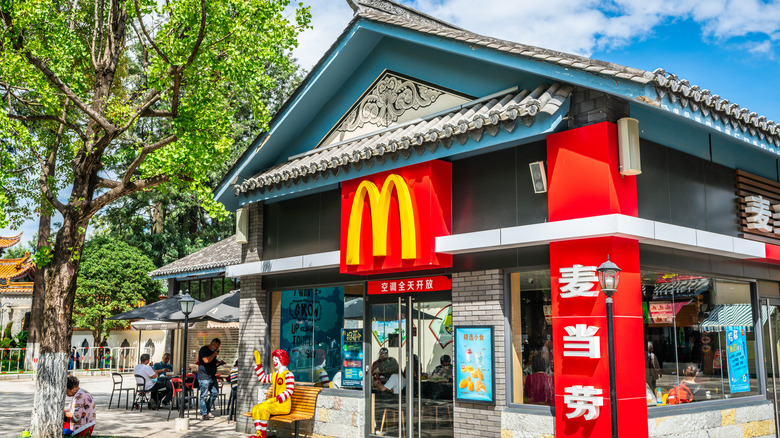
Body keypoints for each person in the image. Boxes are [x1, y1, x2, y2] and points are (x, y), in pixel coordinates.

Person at [252, 349, 294, 438]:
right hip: (275, 403)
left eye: (276, 359)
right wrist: (258, 364)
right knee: (256, 408)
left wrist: (277, 398)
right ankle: (259, 434)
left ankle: (262, 435)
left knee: (264, 408)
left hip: (284, 405)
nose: (274, 361)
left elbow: (290, 390)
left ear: (282, 359)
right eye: (273, 359)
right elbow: (262, 378)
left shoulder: (288, 374)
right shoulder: (274, 375)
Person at [198, 338, 226, 420]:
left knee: (215, 393)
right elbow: (206, 360)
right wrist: (214, 354)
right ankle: (204, 413)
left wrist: (219, 362)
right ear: (212, 344)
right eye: (216, 346)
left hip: (212, 376)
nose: (217, 348)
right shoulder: (204, 350)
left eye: (218, 347)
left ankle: (207, 409)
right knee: (204, 395)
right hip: (204, 377)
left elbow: (212, 361)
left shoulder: (213, 352)